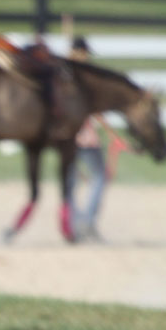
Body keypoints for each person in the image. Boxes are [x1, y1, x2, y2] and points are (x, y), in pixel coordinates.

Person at [65, 36, 124, 241]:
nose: (87, 57)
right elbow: (94, 109)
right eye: (85, 53)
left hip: (64, 135)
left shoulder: (61, 73)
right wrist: (110, 132)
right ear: (79, 52)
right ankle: (87, 222)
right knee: (99, 176)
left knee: (71, 181)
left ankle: (75, 224)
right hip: (83, 135)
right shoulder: (82, 76)